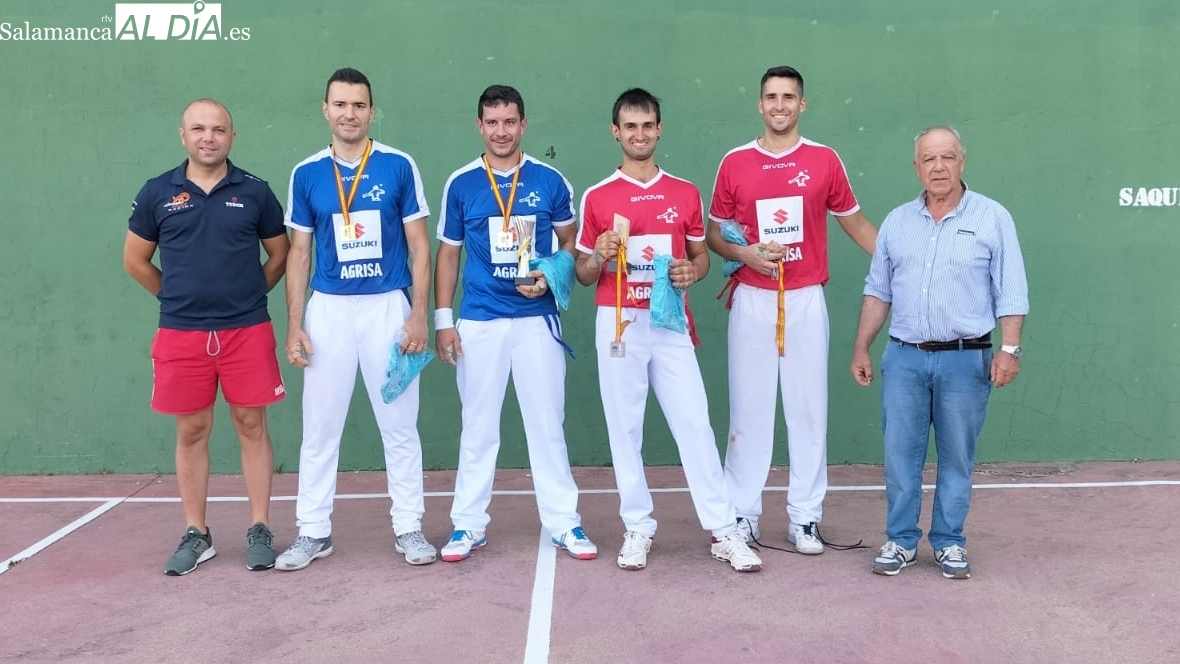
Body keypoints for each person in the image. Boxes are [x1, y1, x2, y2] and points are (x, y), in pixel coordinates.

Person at [575, 88, 762, 573]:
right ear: (615, 132)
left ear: (659, 129)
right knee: (624, 428)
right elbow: (582, 273)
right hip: (618, 326)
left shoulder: (684, 192)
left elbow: (701, 259)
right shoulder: (598, 195)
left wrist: (689, 274)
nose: (639, 135)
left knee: (695, 424)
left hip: (670, 325)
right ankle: (638, 526)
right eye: (629, 127)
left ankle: (724, 531)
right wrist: (598, 254)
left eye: (647, 126)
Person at [705, 65, 877, 554]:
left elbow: (857, 224)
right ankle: (743, 514)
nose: (779, 105)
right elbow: (715, 233)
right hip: (752, 300)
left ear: (802, 104)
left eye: (788, 97)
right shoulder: (734, 162)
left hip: (804, 299)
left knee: (807, 410)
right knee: (749, 410)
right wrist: (745, 255)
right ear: (759, 105)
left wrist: (907, 261)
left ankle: (805, 517)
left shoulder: (824, 160)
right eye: (770, 97)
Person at [851, 125, 1028, 579]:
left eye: (947, 157)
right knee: (899, 457)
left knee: (956, 457)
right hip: (904, 358)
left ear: (962, 161)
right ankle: (901, 541)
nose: (938, 167)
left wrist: (1009, 349)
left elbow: (1011, 289)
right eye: (928, 159)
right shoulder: (896, 222)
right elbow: (878, 292)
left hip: (966, 360)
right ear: (916, 167)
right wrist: (862, 347)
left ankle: (949, 543)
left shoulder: (992, 217)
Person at [277, 67, 436, 570]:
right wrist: (296, 324)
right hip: (328, 310)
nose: (349, 113)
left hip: (388, 307)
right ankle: (312, 532)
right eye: (340, 104)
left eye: (359, 105)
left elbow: (419, 247)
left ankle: (409, 527)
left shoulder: (398, 165)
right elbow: (298, 255)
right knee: (320, 427)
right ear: (326, 110)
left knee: (400, 423)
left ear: (371, 111)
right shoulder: (306, 173)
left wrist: (417, 316)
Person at [123, 99, 290, 576]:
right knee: (192, 431)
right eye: (199, 129)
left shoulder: (255, 192)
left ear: (232, 138)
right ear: (183, 135)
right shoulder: (158, 192)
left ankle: (259, 528)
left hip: (247, 330)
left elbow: (279, 255)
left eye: (218, 129)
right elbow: (135, 260)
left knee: (251, 426)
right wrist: (174, 299)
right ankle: (197, 533)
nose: (208, 137)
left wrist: (248, 296)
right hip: (181, 334)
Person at [433, 84, 597, 562]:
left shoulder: (550, 181)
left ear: (524, 125)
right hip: (479, 320)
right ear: (479, 125)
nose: (501, 131)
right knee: (478, 426)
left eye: (510, 122)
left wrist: (550, 275)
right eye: (492, 122)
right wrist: (445, 321)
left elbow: (572, 245)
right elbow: (448, 255)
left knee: (547, 424)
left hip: (537, 321)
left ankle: (565, 523)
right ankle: (467, 525)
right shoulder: (461, 183)